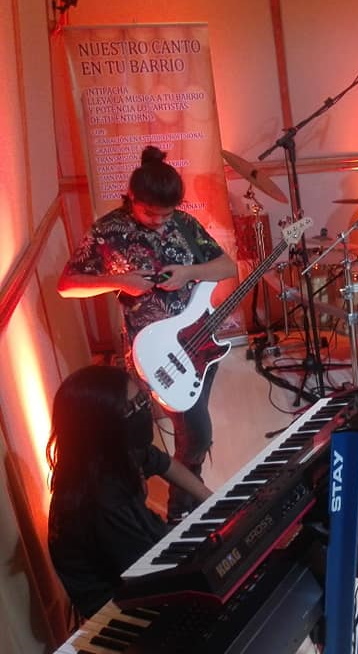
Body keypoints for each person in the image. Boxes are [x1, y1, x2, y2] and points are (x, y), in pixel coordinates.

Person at [58, 145, 236, 522]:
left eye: (166, 213)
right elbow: (67, 284)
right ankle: (179, 509)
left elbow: (226, 266)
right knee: (194, 431)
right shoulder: (108, 230)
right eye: (150, 213)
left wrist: (189, 273)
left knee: (192, 430)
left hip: (199, 339)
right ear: (132, 197)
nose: (158, 221)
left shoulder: (183, 224)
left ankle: (185, 505)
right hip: (152, 349)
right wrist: (118, 280)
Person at [47, 365, 213, 618]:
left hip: (144, 561)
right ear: (102, 425)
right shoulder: (101, 501)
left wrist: (214, 501)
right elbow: (153, 572)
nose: (145, 409)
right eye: (132, 407)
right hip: (123, 608)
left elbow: (163, 463)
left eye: (143, 399)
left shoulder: (112, 451)